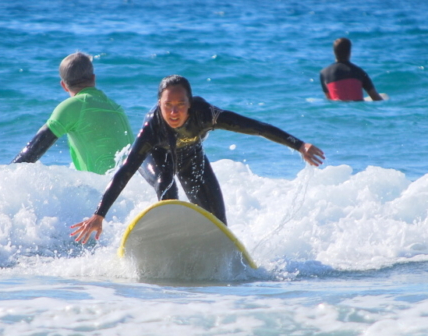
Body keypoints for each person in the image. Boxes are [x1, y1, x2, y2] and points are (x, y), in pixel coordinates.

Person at [71, 75, 325, 244]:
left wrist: (299, 145)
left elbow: (255, 127)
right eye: (167, 105)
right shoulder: (152, 127)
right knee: (166, 183)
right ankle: (170, 243)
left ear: (190, 104)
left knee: (218, 224)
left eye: (180, 105)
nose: (173, 112)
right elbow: (125, 171)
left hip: (190, 157)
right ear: (159, 103)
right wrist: (99, 214)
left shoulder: (206, 114)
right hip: (155, 158)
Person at [12, 52, 134, 175]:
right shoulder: (115, 107)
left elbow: (32, 152)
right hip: (130, 185)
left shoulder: (72, 106)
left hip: (102, 189)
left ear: (64, 85)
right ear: (93, 78)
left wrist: (5, 177)